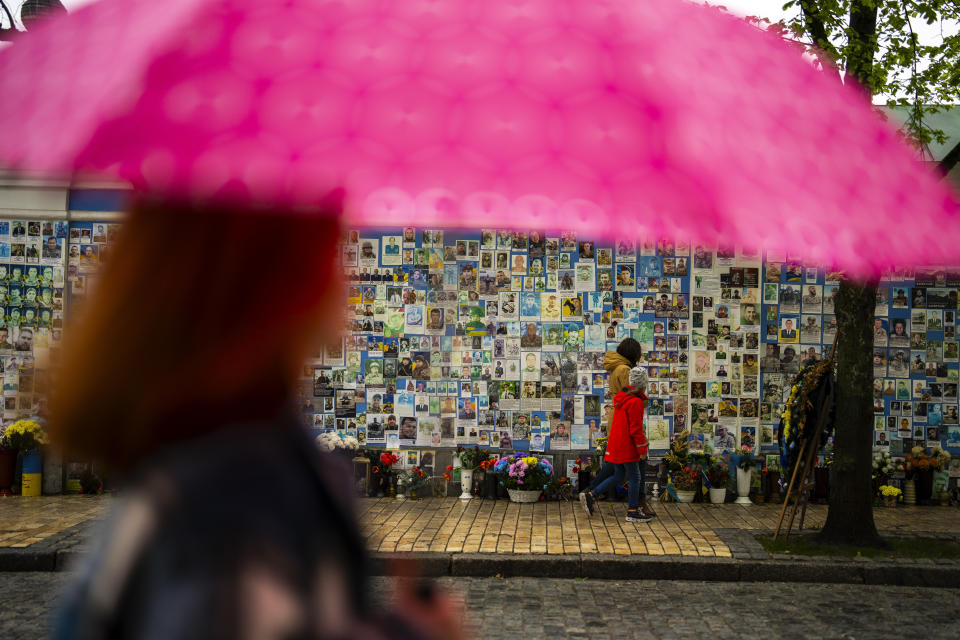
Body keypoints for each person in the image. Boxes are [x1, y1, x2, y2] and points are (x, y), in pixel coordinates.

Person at [50, 201, 460, 640]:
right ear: (288, 279)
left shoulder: (203, 451)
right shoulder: (233, 502)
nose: (346, 278)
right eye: (332, 249)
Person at [579, 366, 652, 523]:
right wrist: (642, 448)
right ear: (643, 385)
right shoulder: (636, 401)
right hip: (628, 445)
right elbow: (636, 429)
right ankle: (632, 511)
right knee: (635, 476)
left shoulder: (621, 398)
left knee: (619, 475)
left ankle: (591, 495)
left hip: (616, 443)